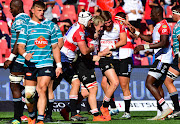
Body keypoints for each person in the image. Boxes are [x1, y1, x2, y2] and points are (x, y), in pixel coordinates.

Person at [17, 1, 62, 124]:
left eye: (43, 10)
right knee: (29, 95)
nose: (42, 13)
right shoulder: (25, 27)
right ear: (32, 10)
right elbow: (20, 46)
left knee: (42, 89)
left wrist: (58, 65)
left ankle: (41, 119)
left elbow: (55, 47)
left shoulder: (50, 26)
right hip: (30, 64)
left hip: (46, 63)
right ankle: (32, 114)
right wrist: (25, 55)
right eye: (39, 10)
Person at [131, 5, 173, 120]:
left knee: (149, 83)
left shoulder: (164, 26)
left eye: (152, 13)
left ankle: (165, 107)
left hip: (163, 59)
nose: (150, 16)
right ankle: (161, 114)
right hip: (160, 58)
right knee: (157, 86)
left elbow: (164, 43)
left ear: (158, 14)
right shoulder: (157, 26)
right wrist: (138, 33)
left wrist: (144, 47)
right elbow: (151, 40)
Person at [3, 0, 30, 123]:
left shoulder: (19, 20)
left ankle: (17, 117)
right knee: (28, 87)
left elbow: (19, 39)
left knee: (14, 85)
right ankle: (35, 115)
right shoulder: (28, 19)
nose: (10, 10)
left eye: (11, 8)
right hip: (28, 58)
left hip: (19, 59)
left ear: (18, 7)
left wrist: (10, 58)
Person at [98, 11, 127, 121]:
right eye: (106, 23)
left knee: (105, 84)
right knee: (115, 82)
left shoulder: (118, 26)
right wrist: (100, 53)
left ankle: (112, 107)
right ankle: (105, 107)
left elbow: (123, 41)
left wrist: (111, 48)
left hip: (115, 58)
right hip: (104, 59)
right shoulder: (100, 28)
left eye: (109, 22)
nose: (108, 25)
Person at [164, 5, 180, 118]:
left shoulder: (179, 25)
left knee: (168, 81)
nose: (171, 15)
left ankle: (177, 109)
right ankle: (177, 109)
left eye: (173, 13)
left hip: (179, 57)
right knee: (168, 80)